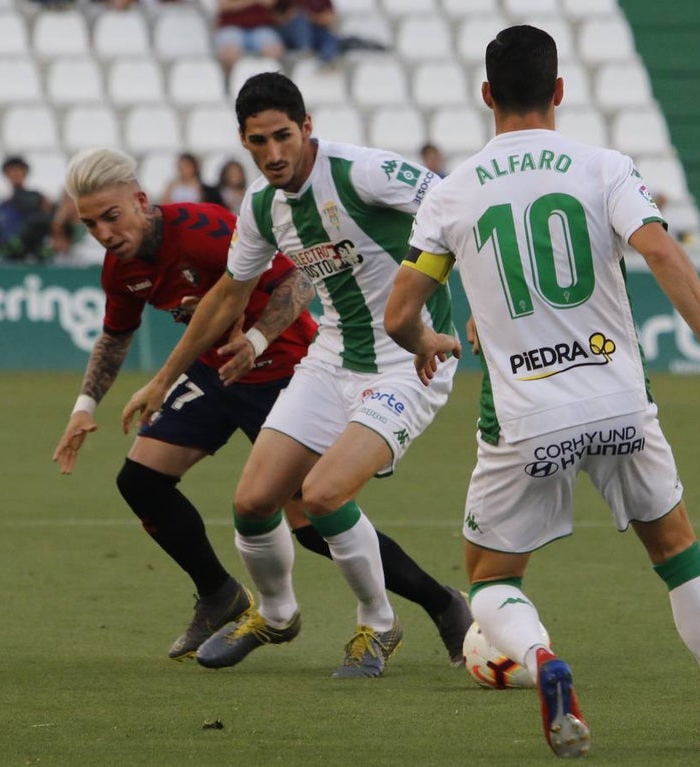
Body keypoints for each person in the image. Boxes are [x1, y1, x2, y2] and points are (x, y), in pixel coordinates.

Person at [384, 25, 700, 758]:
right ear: (558, 91)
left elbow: (400, 312)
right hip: (620, 399)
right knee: (679, 551)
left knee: (491, 578)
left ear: (487, 96)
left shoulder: (454, 192)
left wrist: (424, 343)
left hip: (526, 412)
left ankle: (542, 660)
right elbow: (660, 250)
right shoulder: (603, 166)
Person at [53, 147, 471, 668]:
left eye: (111, 217)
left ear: (139, 201)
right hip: (215, 374)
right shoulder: (121, 266)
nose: (104, 233)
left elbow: (295, 282)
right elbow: (116, 335)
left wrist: (254, 337)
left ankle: (432, 604)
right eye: (90, 224)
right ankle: (224, 596)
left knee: (314, 515)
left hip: (285, 366)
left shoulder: (206, 227)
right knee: (143, 480)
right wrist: (85, 404)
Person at [0, 155, 54, 264]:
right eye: (11, 171)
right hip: (9, 260)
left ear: (25, 173)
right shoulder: (2, 207)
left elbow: (52, 227)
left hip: (33, 259)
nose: (15, 174)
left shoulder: (37, 199)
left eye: (18, 170)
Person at [214, 0, 285, 73]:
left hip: (261, 27)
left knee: (273, 50)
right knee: (228, 53)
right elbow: (223, 5)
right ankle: (228, 81)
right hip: (231, 27)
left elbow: (270, 2)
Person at [275, 0, 341, 65]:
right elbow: (276, 17)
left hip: (315, 30)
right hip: (290, 33)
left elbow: (330, 17)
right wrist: (291, 15)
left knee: (330, 38)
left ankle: (326, 63)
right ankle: (305, 52)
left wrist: (312, 17)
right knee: (300, 19)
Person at [160, 153, 224, 207]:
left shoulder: (202, 188)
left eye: (186, 166)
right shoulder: (172, 186)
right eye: (180, 167)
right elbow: (164, 204)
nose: (183, 170)